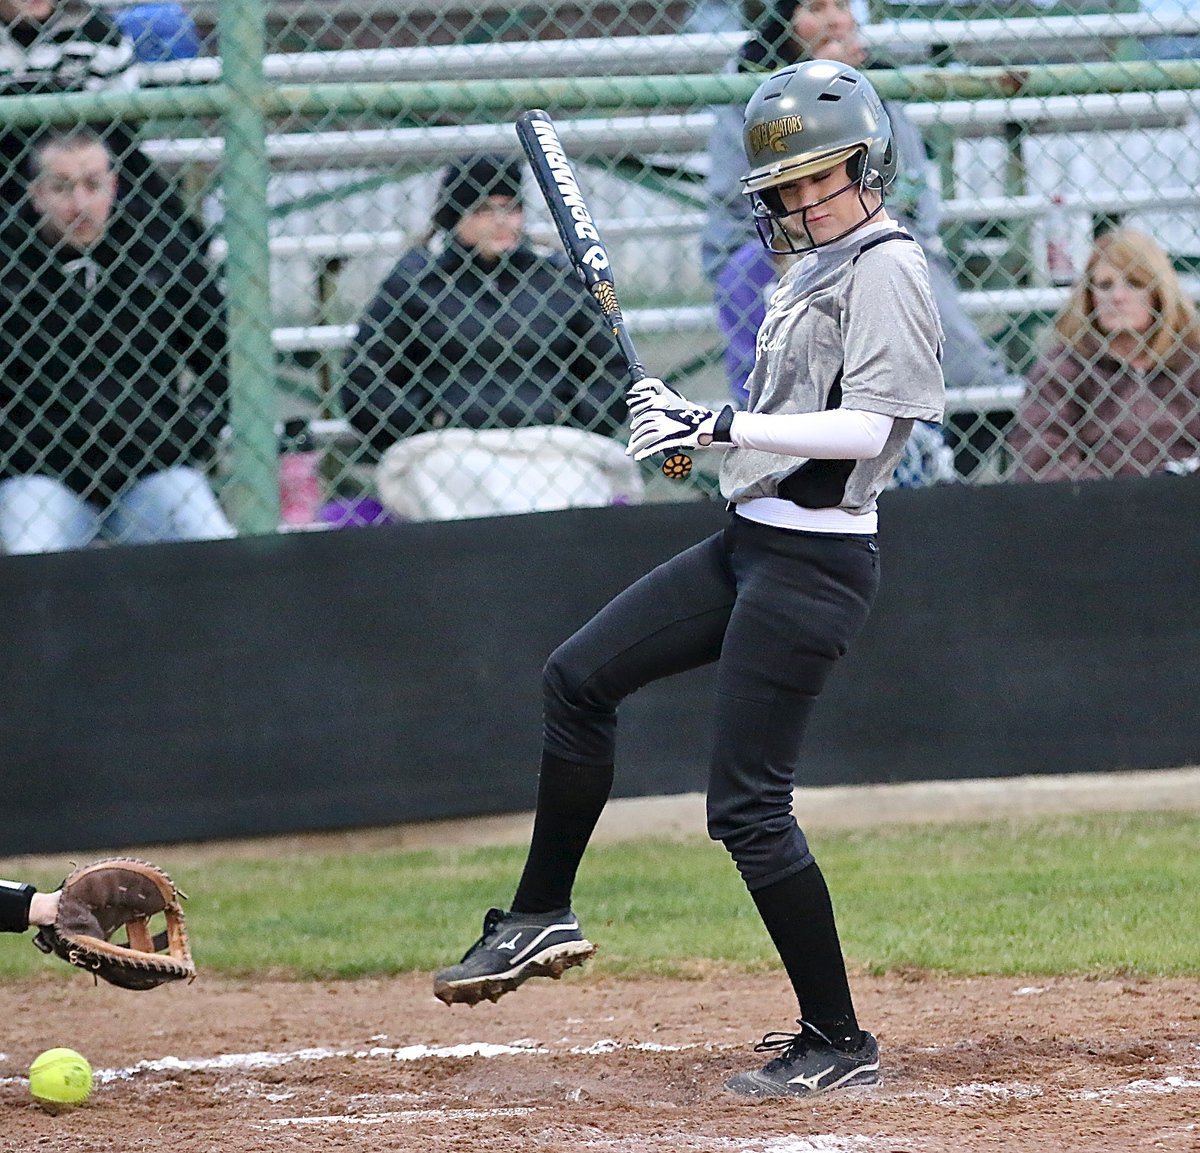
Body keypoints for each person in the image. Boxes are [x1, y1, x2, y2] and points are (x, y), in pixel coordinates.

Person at [433, 60, 945, 1099]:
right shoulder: (812, 268)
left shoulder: (885, 265)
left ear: (868, 163)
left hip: (816, 565)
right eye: (788, 187)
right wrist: (690, 422)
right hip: (749, 544)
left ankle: (839, 1040)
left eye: (823, 177)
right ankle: (540, 913)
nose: (806, 200)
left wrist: (718, 424)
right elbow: (784, 421)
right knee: (577, 679)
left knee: (748, 807)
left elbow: (870, 428)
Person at [700, 0, 1018, 478]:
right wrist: (809, 232)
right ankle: (774, 446)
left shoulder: (874, 82)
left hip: (870, 235)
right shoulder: (750, 82)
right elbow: (736, 200)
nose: (833, 19)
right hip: (776, 248)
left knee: (924, 297)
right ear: (785, 22)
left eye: (842, 5)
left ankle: (933, 465)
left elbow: (911, 190)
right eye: (815, 7)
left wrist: (850, 102)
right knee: (752, 281)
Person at [340, 154, 635, 519]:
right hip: (449, 446)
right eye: (482, 209)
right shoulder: (417, 283)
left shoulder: (557, 280)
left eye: (510, 208)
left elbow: (615, 368)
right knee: (446, 483)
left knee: (568, 492)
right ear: (454, 216)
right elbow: (363, 380)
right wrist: (427, 420)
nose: (501, 221)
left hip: (552, 444)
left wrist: (571, 415)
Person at [0, 127, 234, 552]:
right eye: (61, 188)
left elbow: (223, 360)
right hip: (41, 475)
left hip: (150, 469)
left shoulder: (161, 250)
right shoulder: (8, 264)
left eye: (94, 185)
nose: (80, 205)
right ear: (36, 196)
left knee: (214, 546)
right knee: (30, 555)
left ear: (114, 186)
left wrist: (187, 434)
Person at [715, 236, 955, 488]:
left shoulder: (881, 258)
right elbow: (751, 383)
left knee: (909, 450)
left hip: (868, 409)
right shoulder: (744, 272)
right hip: (791, 416)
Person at [1007, 226, 1200, 482]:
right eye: (1105, 285)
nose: (1117, 297)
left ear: (1159, 293)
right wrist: (1114, 498)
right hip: (1096, 510)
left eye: (1134, 283)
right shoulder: (1064, 368)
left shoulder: (1192, 362)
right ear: (1089, 297)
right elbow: (1040, 456)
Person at [0, 0, 202, 239]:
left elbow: (122, 129)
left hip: (86, 160)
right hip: (6, 164)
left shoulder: (96, 30)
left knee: (157, 211)